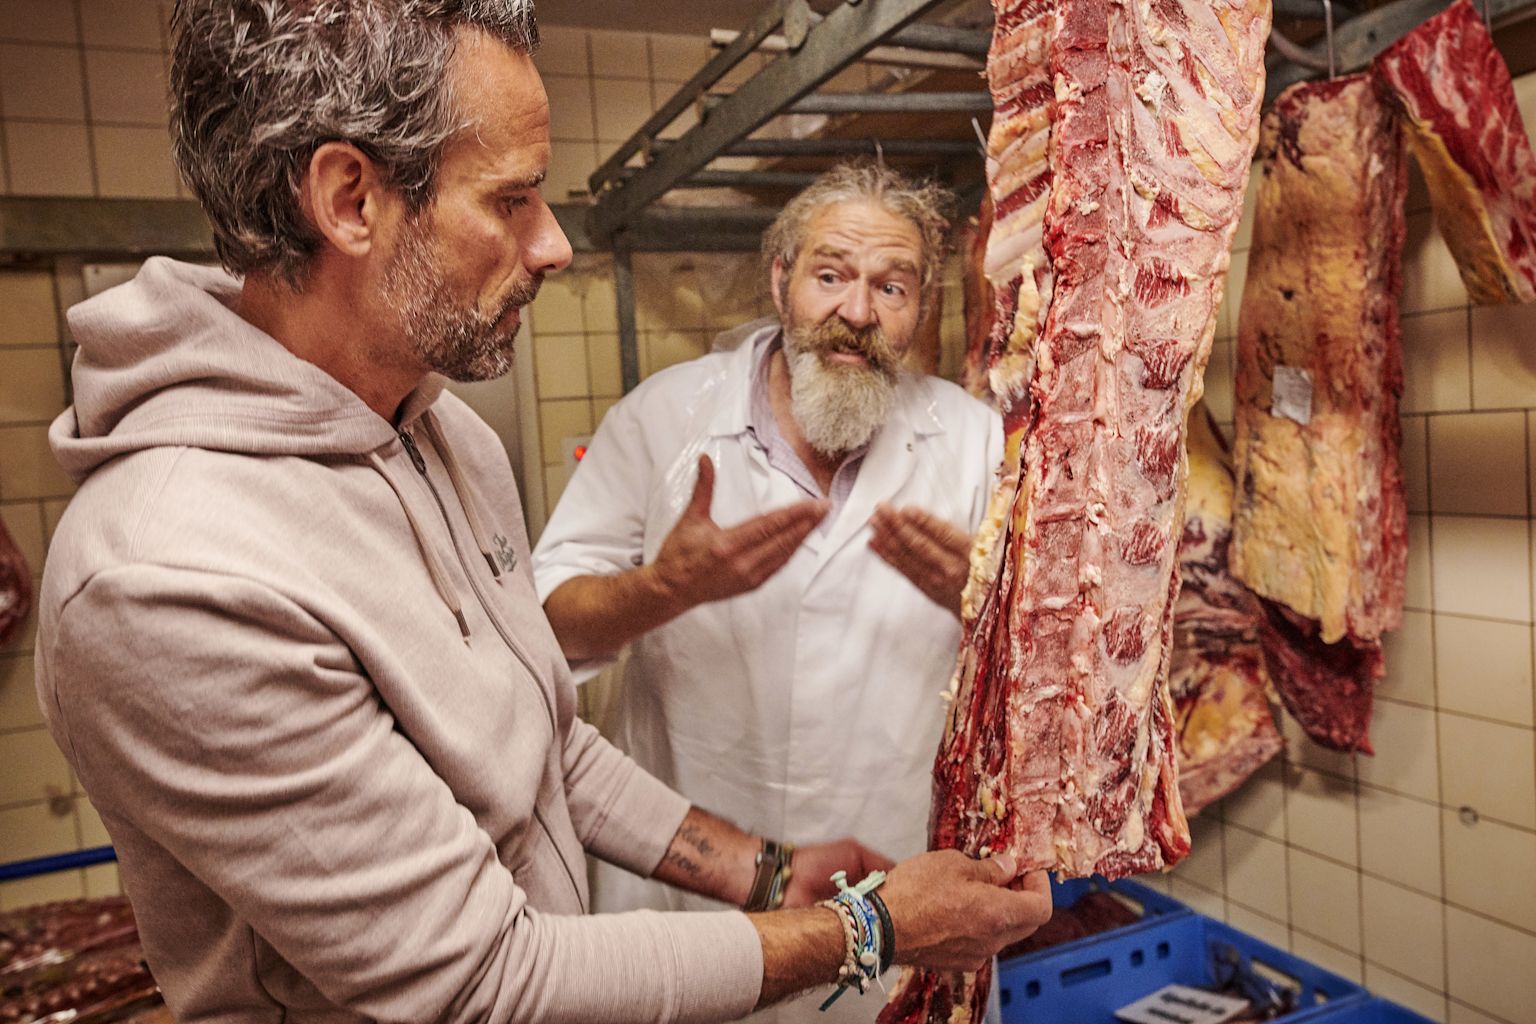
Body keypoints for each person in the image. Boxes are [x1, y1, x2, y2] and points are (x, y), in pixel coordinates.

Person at [33, 2, 1049, 1022]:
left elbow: (542, 738)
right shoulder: (170, 573)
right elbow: (480, 982)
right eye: (512, 200)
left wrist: (765, 867)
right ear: (350, 200)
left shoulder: (443, 438)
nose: (555, 245)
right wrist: (877, 930)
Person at [531, 164, 1008, 1020]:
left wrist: (981, 605)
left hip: (901, 886)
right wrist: (662, 590)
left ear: (920, 306)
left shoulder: (975, 442)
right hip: (694, 896)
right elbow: (542, 628)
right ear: (779, 277)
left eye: (891, 286)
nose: (857, 313)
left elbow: (1040, 685)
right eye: (830, 275)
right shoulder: (663, 419)